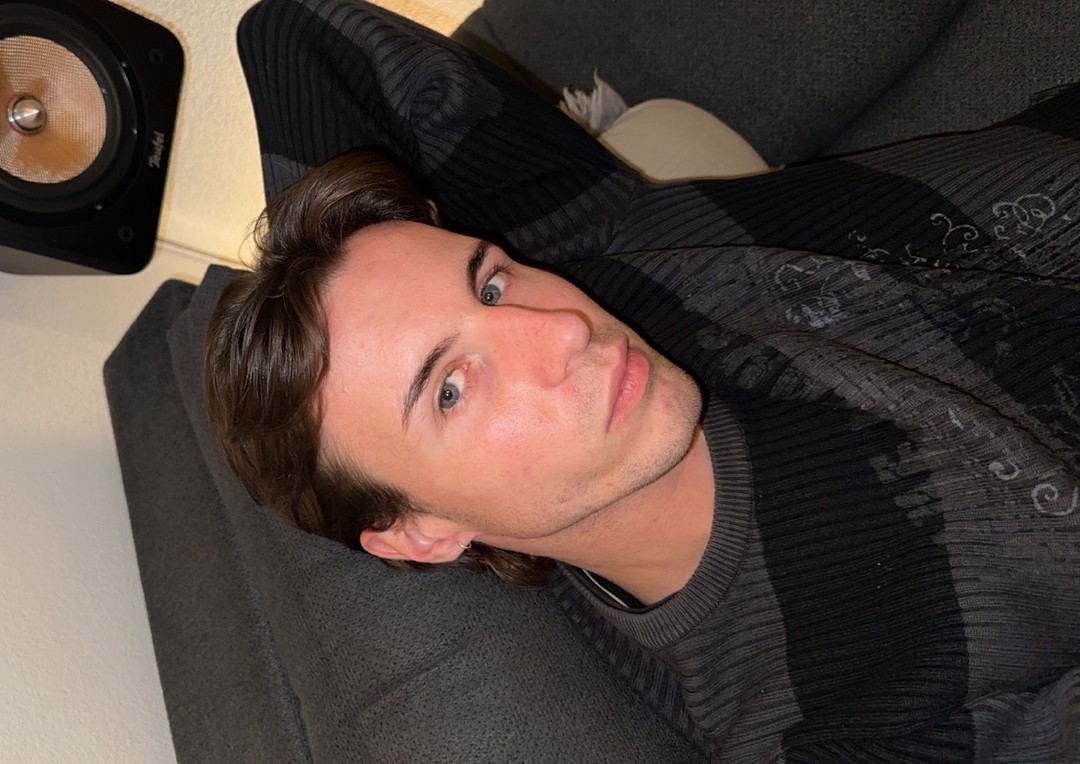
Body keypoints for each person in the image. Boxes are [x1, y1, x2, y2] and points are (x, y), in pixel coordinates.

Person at [208, 1, 1080, 759]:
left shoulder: (597, 250)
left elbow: (296, 32)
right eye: (450, 389)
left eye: (491, 283)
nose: (560, 329)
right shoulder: (828, 712)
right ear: (421, 534)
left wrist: (325, 281)